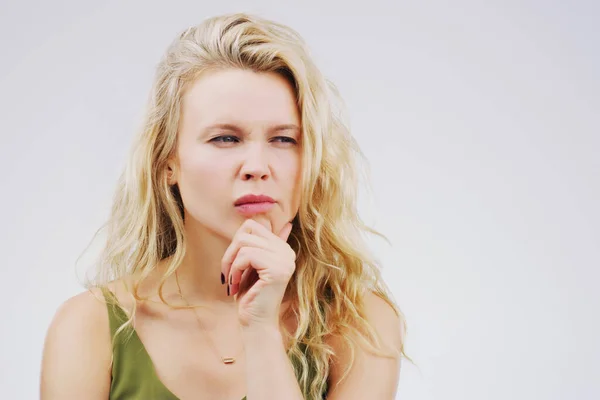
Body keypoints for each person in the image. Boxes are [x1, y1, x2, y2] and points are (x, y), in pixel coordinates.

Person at [40, 12, 408, 400]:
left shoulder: (359, 322)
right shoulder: (89, 326)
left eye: (283, 140)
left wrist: (260, 329)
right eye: (225, 139)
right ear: (169, 162)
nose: (256, 167)